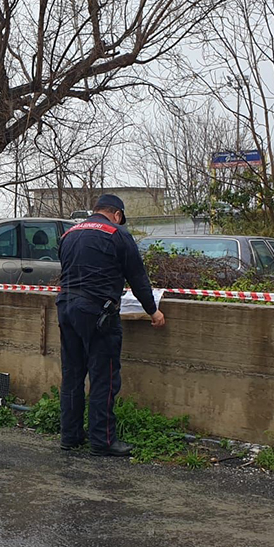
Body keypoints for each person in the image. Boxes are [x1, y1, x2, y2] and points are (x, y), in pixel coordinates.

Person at [56, 194, 166, 457]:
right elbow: (137, 277)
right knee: (103, 377)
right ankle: (102, 441)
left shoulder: (68, 234)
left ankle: (70, 436)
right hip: (97, 313)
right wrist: (153, 311)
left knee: (72, 375)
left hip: (66, 308)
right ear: (117, 214)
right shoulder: (117, 233)